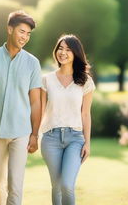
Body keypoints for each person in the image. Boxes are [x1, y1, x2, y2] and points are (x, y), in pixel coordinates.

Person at [0, 10, 42, 205]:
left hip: (21, 131)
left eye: (28, 34)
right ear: (10, 29)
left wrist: (34, 134)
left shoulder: (33, 63)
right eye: (22, 31)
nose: (25, 37)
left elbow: (36, 101)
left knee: (16, 183)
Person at [40, 34, 95, 205]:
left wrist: (87, 143)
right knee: (56, 186)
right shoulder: (46, 80)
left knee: (66, 185)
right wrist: (33, 134)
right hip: (50, 138)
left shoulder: (85, 81)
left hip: (75, 139)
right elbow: (40, 110)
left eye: (68, 50)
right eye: (60, 48)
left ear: (76, 53)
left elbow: (85, 114)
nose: (63, 53)